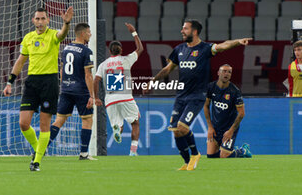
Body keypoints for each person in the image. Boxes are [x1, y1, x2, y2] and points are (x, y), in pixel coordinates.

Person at [145, 19, 252, 171]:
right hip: (181, 96)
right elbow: (168, 69)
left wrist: (237, 42)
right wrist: (152, 80)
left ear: (194, 31)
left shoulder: (205, 48)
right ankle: (187, 161)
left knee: (182, 126)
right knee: (176, 131)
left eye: (185, 28)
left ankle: (195, 154)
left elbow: (222, 46)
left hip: (196, 96)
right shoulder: (179, 49)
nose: (182, 31)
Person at [3, 6, 73, 171]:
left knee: (44, 125)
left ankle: (36, 161)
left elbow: (62, 34)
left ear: (48, 20)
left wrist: (66, 24)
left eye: (43, 19)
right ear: (33, 20)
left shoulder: (53, 35)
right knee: (23, 123)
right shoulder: (28, 38)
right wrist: (9, 82)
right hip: (32, 82)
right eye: (38, 19)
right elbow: (20, 61)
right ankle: (38, 148)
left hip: (49, 82)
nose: (40, 22)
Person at [47, 23, 97, 160]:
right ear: (82, 34)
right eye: (89, 32)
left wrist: (63, 87)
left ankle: (42, 149)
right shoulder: (87, 51)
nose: (90, 35)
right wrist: (91, 96)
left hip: (66, 90)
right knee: (87, 121)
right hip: (81, 91)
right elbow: (88, 75)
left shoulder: (66, 49)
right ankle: (84, 153)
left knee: (59, 120)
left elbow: (62, 71)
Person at [94, 23, 143, 156]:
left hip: (110, 99)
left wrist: (96, 97)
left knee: (118, 126)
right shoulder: (126, 60)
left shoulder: (103, 65)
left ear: (110, 51)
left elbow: (96, 80)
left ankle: (117, 129)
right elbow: (140, 49)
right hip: (126, 97)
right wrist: (134, 32)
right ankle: (133, 152)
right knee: (135, 123)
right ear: (121, 50)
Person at [204, 64, 252, 158]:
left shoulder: (235, 91)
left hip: (229, 128)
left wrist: (231, 131)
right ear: (218, 73)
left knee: (224, 155)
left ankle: (242, 151)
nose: (227, 74)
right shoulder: (210, 87)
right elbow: (206, 106)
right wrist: (210, 127)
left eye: (229, 72)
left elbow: (242, 113)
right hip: (215, 127)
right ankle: (229, 150)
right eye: (224, 71)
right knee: (211, 156)